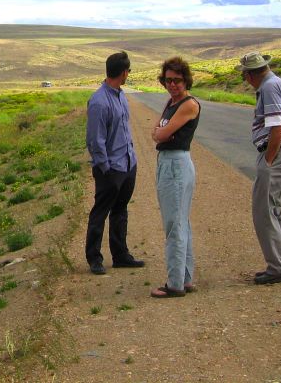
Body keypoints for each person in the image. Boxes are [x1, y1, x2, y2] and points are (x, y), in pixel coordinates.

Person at [237, 51, 281, 285]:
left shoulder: (269, 88)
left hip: (278, 152)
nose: (246, 80)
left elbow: (277, 127)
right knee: (274, 208)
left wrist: (269, 159)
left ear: (251, 74)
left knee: (263, 210)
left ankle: (278, 267)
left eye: (245, 75)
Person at [85, 51, 145, 275]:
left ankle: (120, 255)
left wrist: (131, 161)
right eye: (128, 71)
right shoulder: (99, 101)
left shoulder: (120, 95)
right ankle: (94, 258)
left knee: (120, 211)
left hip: (128, 164)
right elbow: (94, 140)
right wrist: (105, 168)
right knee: (100, 213)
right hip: (110, 169)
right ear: (123, 73)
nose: (128, 74)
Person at [149, 57, 201, 298]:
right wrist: (161, 133)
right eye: (168, 80)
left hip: (176, 164)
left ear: (186, 80)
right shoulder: (172, 103)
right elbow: (156, 132)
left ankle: (175, 283)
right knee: (181, 222)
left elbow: (162, 132)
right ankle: (185, 278)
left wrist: (162, 133)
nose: (172, 85)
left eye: (177, 80)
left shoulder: (188, 105)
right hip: (169, 162)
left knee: (175, 225)